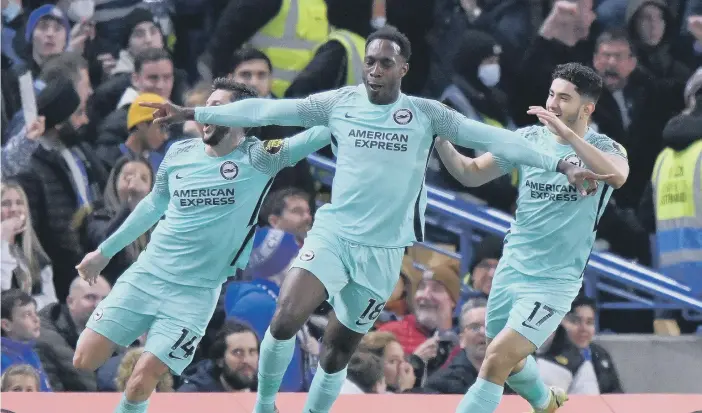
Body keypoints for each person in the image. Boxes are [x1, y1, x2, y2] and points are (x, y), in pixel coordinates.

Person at [142, 26, 610, 413]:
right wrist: (193, 110)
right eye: (370, 60)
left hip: (384, 253)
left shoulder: (426, 113)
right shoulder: (339, 102)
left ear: (402, 69)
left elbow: (496, 139)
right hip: (334, 234)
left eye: (386, 62)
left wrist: (562, 164)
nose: (375, 69)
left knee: (337, 351)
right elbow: (269, 108)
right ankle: (266, 407)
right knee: (285, 319)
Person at [70, 79, 331, 413]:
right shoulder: (180, 153)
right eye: (206, 107)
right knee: (84, 358)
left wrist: (354, 110)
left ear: (244, 117)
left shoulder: (260, 157)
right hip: (147, 275)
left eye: (218, 108)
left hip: (194, 295)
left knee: (141, 380)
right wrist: (103, 252)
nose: (206, 115)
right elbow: (152, 206)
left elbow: (317, 133)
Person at [433, 62, 629, 413]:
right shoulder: (526, 140)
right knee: (505, 355)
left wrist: (568, 136)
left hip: (554, 282)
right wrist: (441, 139)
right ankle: (544, 401)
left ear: (587, 108)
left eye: (564, 98)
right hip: (511, 271)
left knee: (494, 360)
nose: (552, 104)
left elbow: (617, 177)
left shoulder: (604, 147)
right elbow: (470, 174)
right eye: (552, 94)